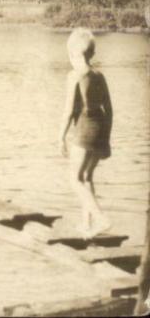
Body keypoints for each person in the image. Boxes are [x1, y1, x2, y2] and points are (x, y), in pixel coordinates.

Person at [59, 28, 113, 238]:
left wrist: (60, 137)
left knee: (74, 179)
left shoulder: (74, 76)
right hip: (99, 129)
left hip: (83, 130)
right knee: (87, 177)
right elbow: (109, 110)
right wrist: (106, 139)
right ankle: (86, 224)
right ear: (91, 54)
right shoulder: (99, 76)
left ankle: (100, 219)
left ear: (73, 54)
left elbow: (68, 111)